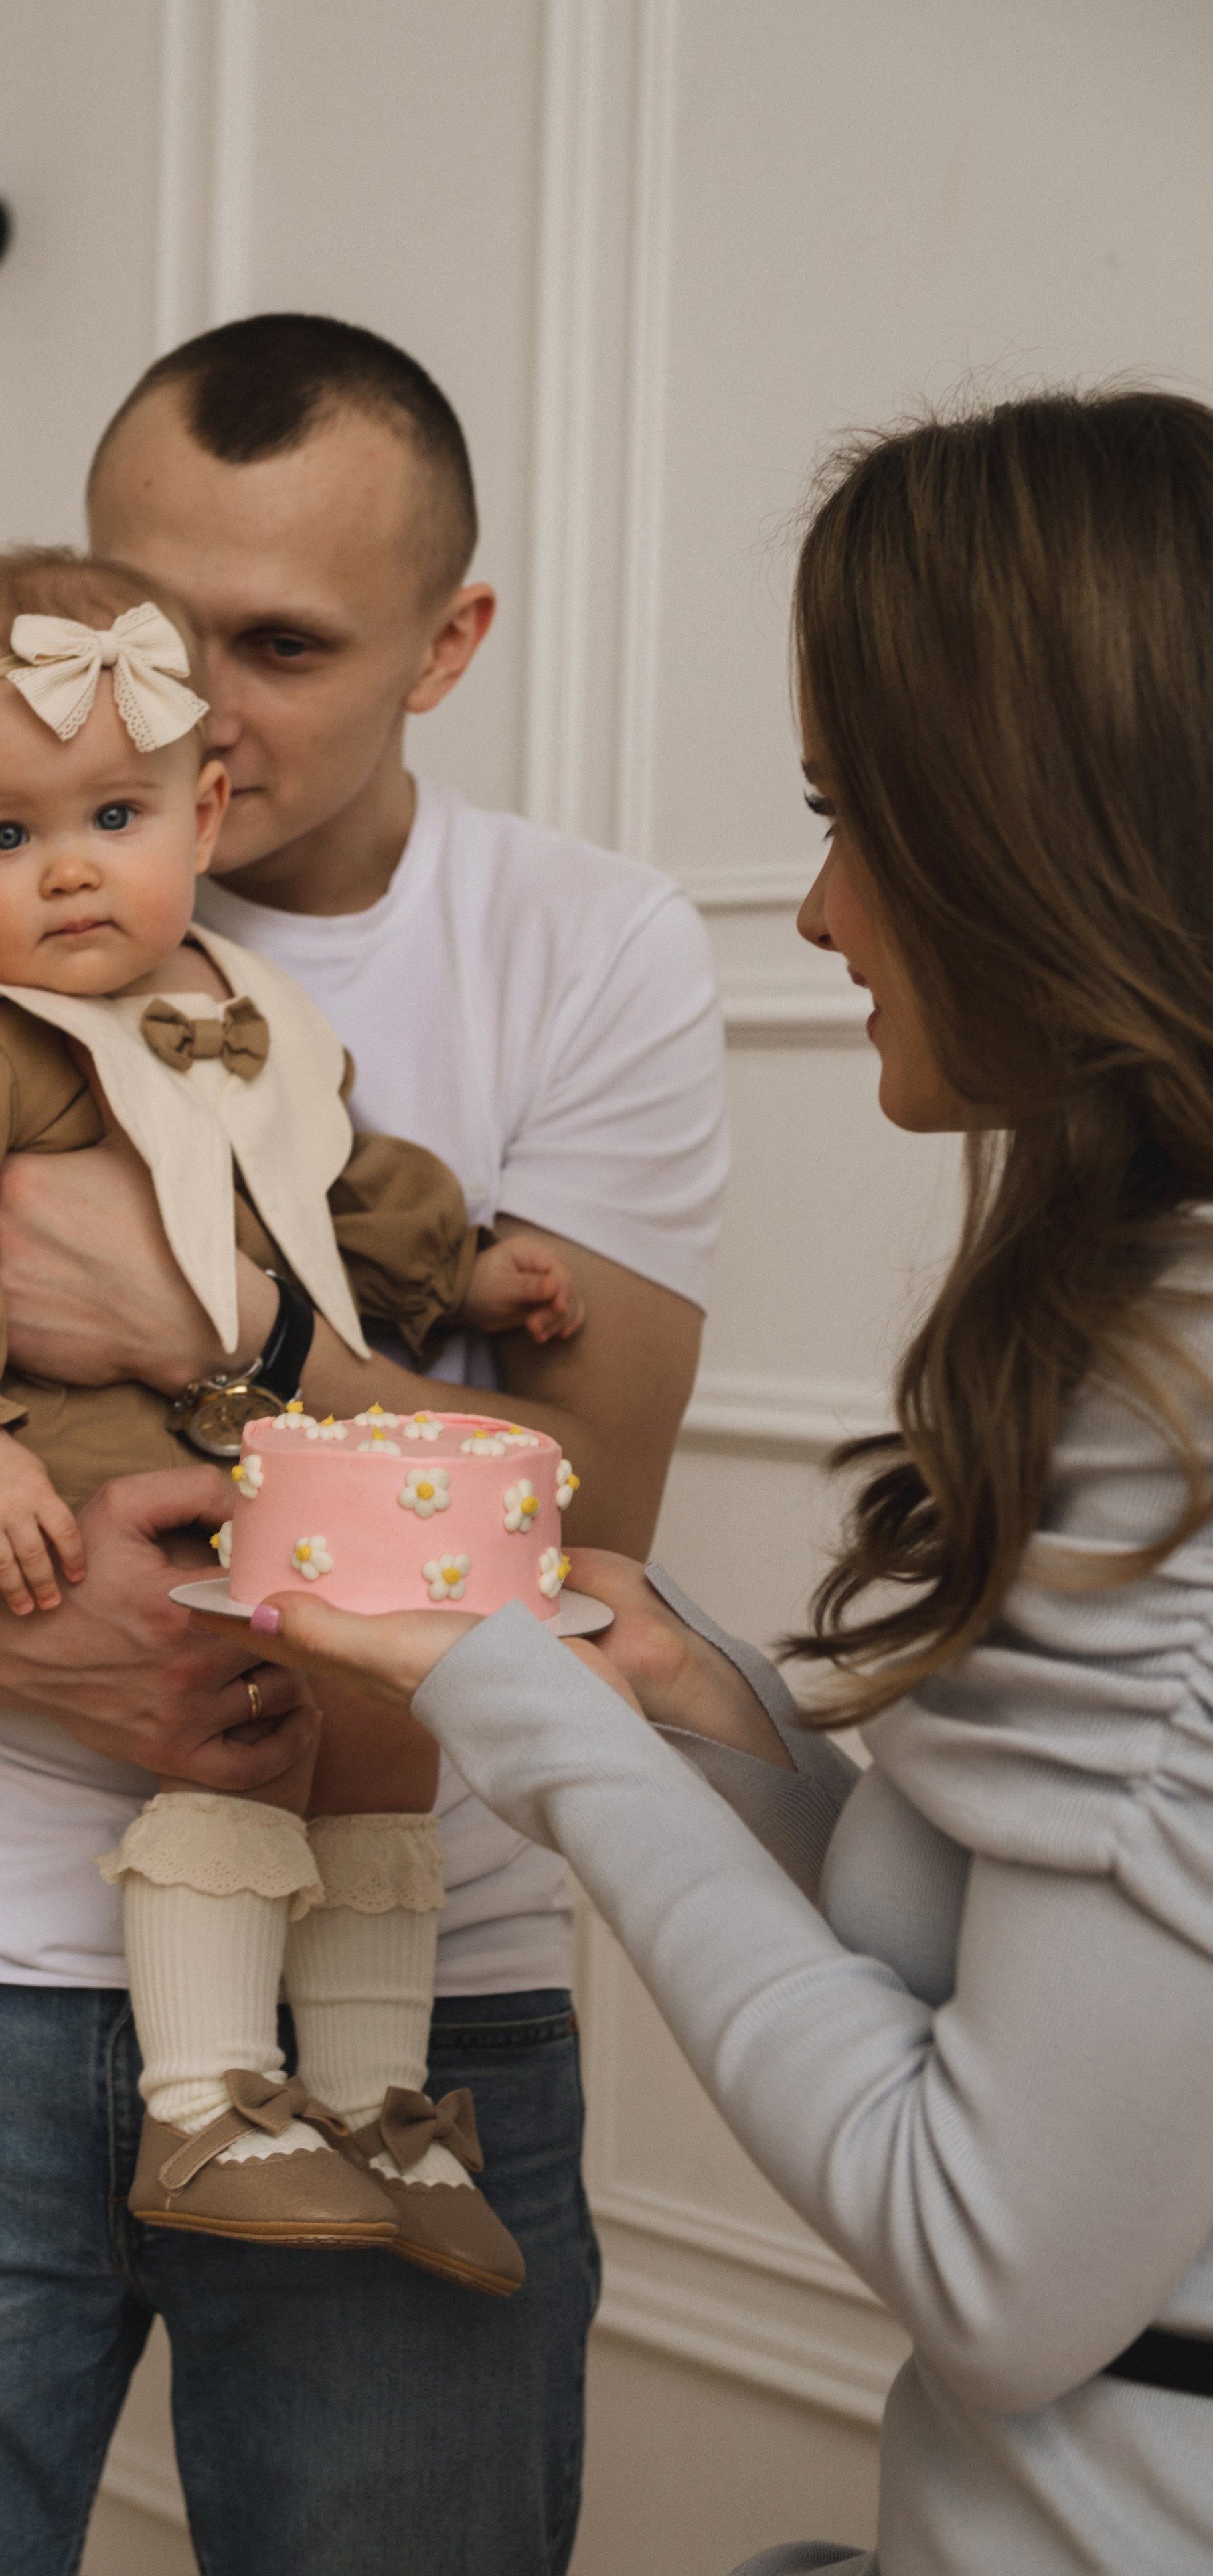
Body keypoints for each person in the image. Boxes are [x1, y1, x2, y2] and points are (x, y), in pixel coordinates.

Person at [0, 314, 726, 2576]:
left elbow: (578, 1538)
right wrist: (83, 1663)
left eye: (273, 645)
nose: (172, 708)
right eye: (142, 623)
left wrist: (214, 1314)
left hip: (410, 1997)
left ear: (447, 646)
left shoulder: (591, 947)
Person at [244, 386, 1213, 2575]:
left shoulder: (1177, 1422)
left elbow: (993, 2249)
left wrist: (527, 1709)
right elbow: (1032, 1959)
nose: (822, 910)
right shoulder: (1138, 1331)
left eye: (855, 820)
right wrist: (716, 1721)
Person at [0, 539, 579, 2277]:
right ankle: (208, 2099)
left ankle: (373, 2097)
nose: (65, 875)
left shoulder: (249, 1013)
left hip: (229, 1417)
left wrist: (458, 1265)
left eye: (112, 820)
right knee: (251, 1683)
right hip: (45, 1443)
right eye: (3, 839)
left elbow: (329, 1185)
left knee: (380, 1721)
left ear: (204, 810)